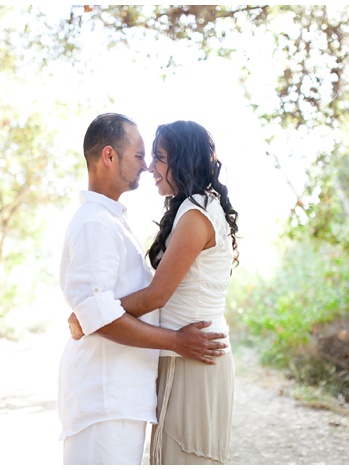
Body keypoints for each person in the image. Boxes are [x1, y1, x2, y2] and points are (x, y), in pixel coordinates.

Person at [57, 113, 227, 465]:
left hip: (123, 396)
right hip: (105, 398)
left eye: (155, 157)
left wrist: (89, 317)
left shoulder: (114, 220)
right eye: (139, 155)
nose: (147, 166)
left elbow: (123, 305)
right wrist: (174, 342)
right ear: (109, 156)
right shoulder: (94, 223)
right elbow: (100, 314)